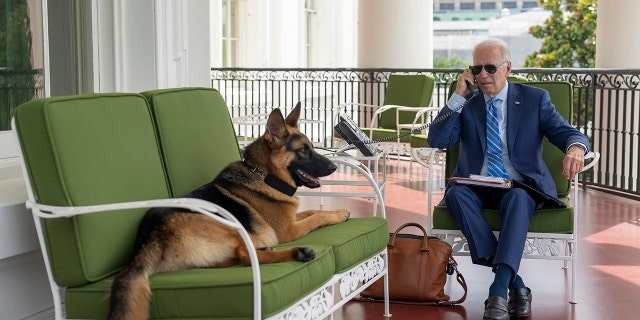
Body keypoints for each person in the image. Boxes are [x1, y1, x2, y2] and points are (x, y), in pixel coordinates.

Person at [427, 38, 589, 320]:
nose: (483, 75)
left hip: (519, 186)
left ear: (508, 68)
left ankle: (498, 290)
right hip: (475, 185)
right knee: (455, 193)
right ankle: (517, 286)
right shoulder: (468, 102)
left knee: (518, 197)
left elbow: (567, 133)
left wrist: (575, 148)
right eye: (476, 69)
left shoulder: (534, 99)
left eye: (490, 67)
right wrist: (457, 96)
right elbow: (437, 139)